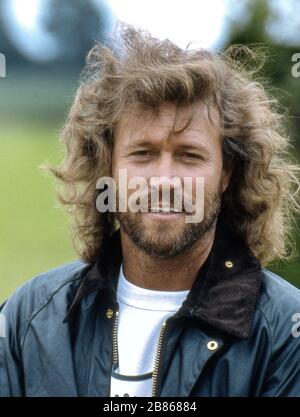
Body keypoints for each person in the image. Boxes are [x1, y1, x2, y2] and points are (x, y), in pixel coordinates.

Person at [1, 24, 300, 397]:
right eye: (142, 154)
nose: (164, 180)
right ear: (108, 165)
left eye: (189, 156)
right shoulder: (28, 319)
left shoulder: (285, 332)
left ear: (227, 174)